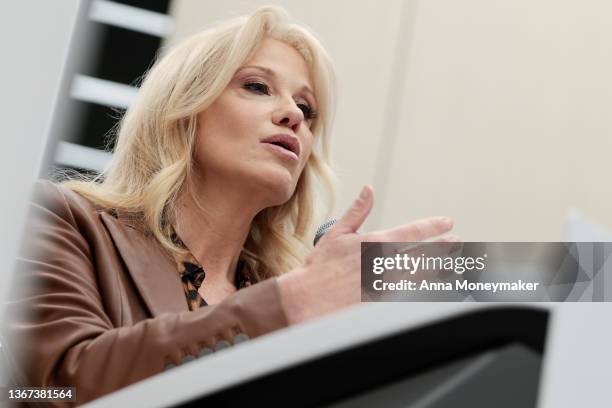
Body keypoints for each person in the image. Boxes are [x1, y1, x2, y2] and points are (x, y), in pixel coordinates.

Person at [1, 6, 455, 406]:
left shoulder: (295, 300)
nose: (293, 115)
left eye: (306, 107)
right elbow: (59, 387)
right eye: (258, 87)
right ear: (183, 111)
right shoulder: (59, 219)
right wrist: (291, 302)